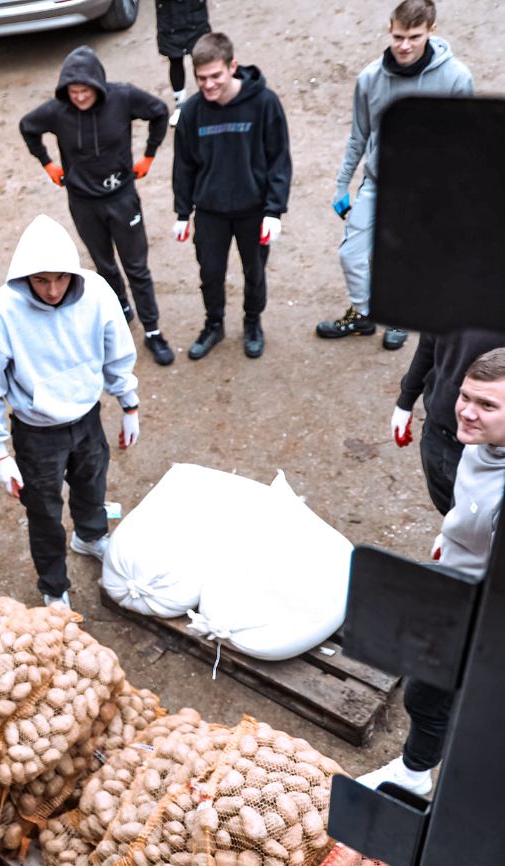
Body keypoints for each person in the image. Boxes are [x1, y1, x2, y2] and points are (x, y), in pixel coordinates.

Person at [0, 214, 139, 608]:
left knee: (92, 483)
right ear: (24, 275)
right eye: (41, 280)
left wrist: (128, 403)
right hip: (36, 431)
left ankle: (90, 535)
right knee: (43, 510)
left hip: (87, 415)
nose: (52, 290)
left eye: (60, 278)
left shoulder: (96, 293)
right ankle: (54, 586)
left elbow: (118, 351)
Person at [360, 347, 505, 796]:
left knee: (428, 689)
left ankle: (419, 775)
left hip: (480, 606)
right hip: (463, 576)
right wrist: (453, 535)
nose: (466, 412)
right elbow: (468, 506)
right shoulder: (483, 444)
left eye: (487, 405)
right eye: (465, 396)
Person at [315, 0, 473, 351]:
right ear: (390, 29)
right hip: (378, 183)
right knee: (350, 254)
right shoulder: (370, 78)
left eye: (414, 37)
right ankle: (365, 312)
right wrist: (343, 184)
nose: (404, 45)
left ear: (431, 32)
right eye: (399, 36)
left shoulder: (457, 78)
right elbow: (359, 134)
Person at [20, 45, 176, 367]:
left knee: (137, 268)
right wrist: (47, 163)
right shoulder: (56, 111)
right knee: (104, 266)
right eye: (73, 91)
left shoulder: (123, 98)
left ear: (98, 86)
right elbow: (28, 126)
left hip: (122, 198)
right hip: (83, 203)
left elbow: (160, 112)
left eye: (85, 91)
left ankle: (153, 331)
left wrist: (149, 154)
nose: (79, 97)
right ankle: (120, 309)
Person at [172, 31, 292, 362]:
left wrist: (274, 210)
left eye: (215, 76)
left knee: (255, 272)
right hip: (210, 212)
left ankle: (253, 323)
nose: (208, 85)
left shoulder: (264, 103)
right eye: (201, 78)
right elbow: (183, 165)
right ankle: (214, 325)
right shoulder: (193, 112)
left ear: (232, 66)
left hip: (253, 211)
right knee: (209, 273)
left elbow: (279, 159)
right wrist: (183, 213)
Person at [391, 329, 505, 514]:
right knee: (447, 505)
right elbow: (429, 341)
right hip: (437, 433)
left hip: (491, 456)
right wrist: (406, 400)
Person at [155, 0, 212, 126]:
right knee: (175, 59)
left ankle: (207, 100)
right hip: (169, 16)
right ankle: (180, 104)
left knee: (201, 57)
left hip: (195, 13)